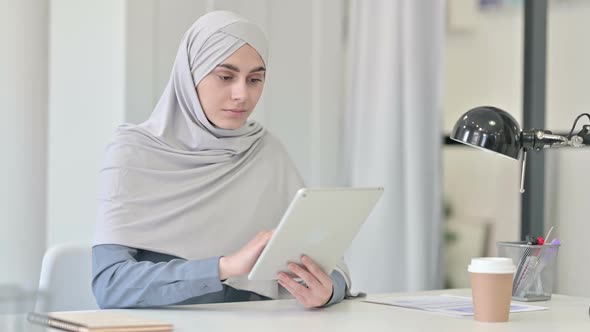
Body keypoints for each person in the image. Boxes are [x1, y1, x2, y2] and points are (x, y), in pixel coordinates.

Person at [92, 11, 351, 309]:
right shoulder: (134, 152)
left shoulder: (265, 150)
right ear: (191, 75)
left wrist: (329, 290)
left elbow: (330, 264)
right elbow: (110, 284)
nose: (242, 94)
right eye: (225, 77)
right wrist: (224, 267)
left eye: (255, 79)